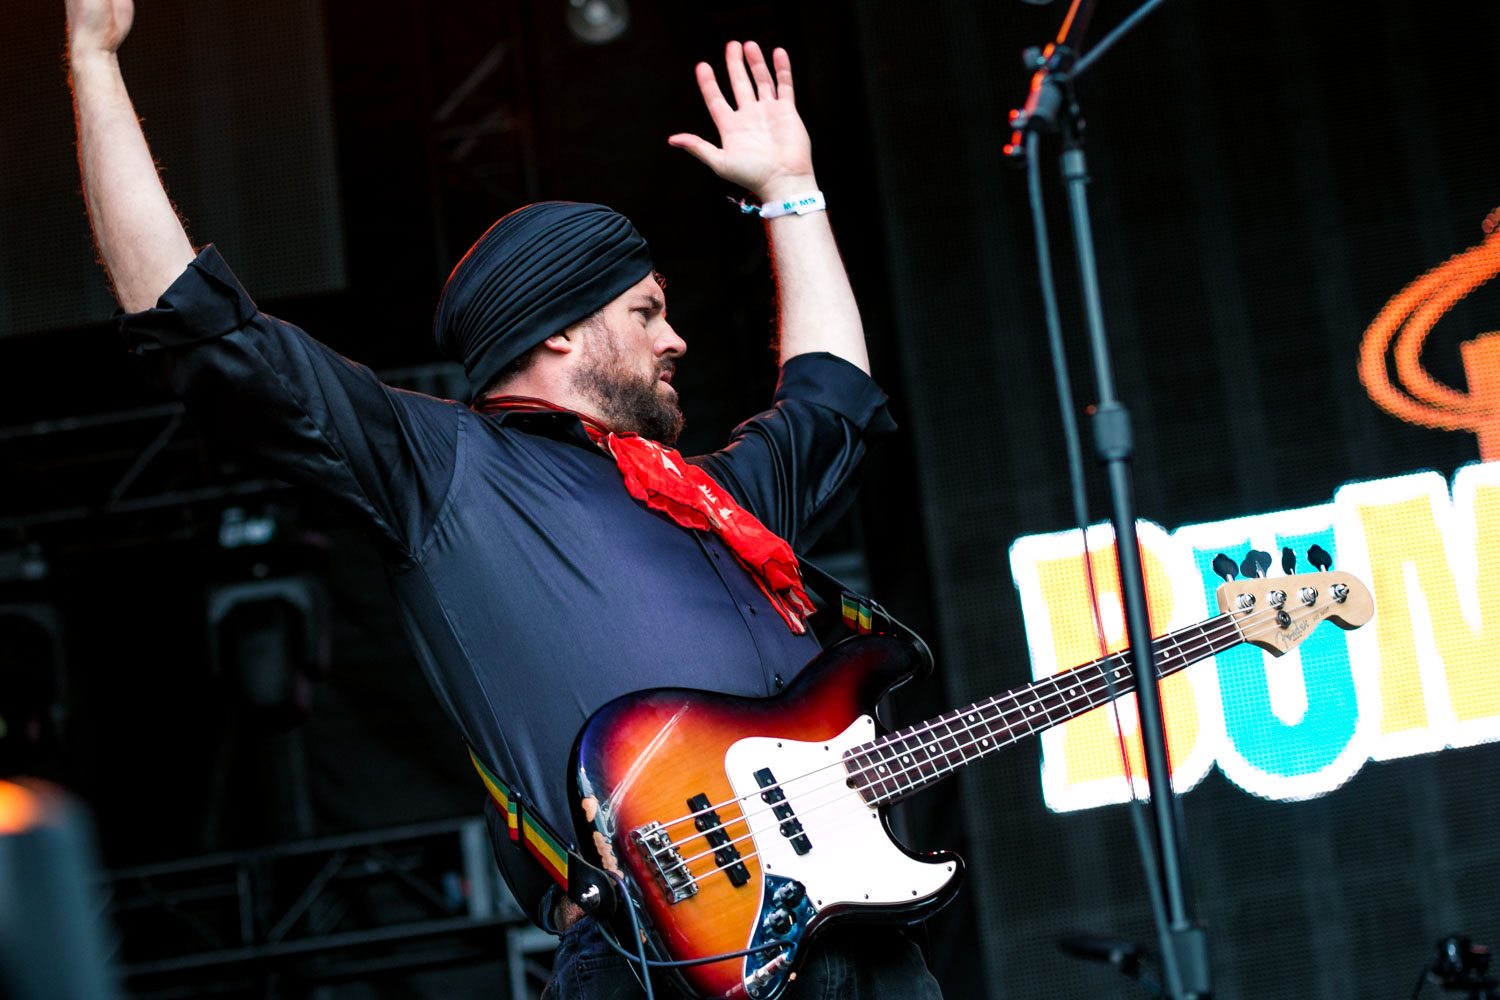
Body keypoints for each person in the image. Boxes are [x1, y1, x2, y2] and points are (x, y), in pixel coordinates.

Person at [66, 0, 944, 996]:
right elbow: (194, 325)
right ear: (560, 331)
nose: (675, 339)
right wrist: (94, 60)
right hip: (657, 961)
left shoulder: (714, 500)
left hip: (853, 939)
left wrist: (791, 194)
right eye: (645, 312)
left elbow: (832, 400)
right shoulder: (446, 469)